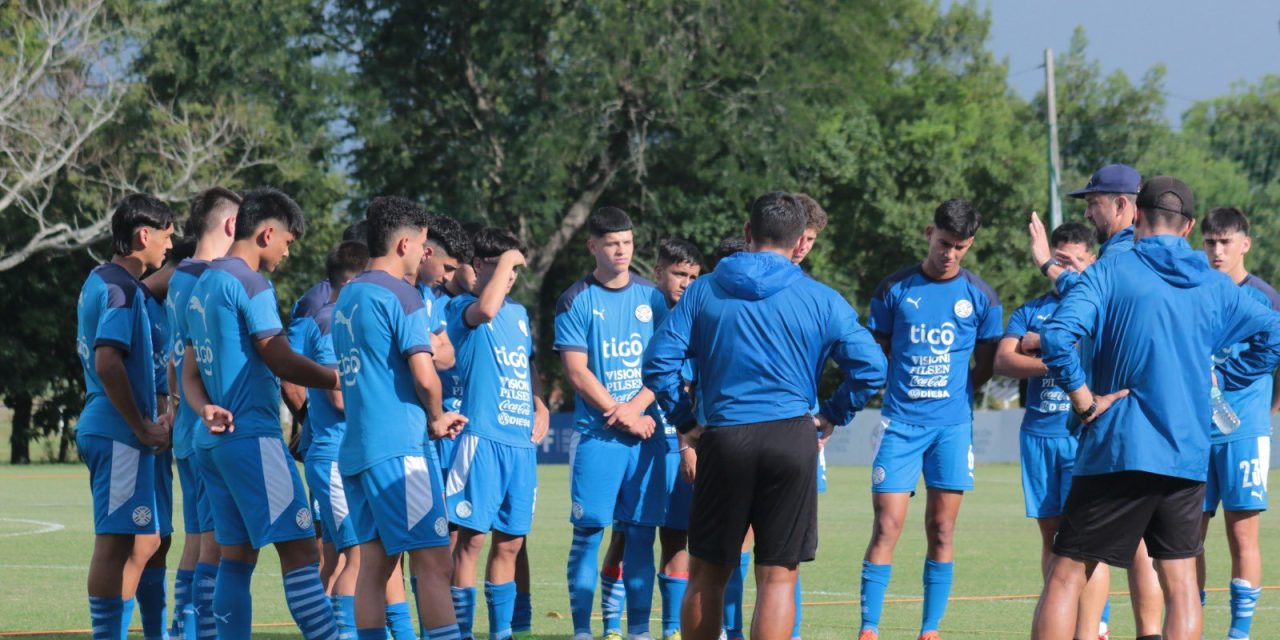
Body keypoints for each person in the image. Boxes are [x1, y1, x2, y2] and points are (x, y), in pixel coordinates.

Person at [1031, 177, 1280, 640]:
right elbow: (1274, 335)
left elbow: (1056, 336)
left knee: (1067, 574)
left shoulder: (1110, 270)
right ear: (1188, 228)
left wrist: (1084, 401)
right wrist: (1225, 378)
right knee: (1182, 585)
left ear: (1137, 218)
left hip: (1117, 448)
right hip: (1186, 455)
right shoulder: (1214, 283)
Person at [644, 190, 885, 640]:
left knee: (706, 573)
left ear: (748, 232)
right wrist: (833, 414)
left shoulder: (703, 291)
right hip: (793, 439)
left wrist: (687, 423)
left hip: (725, 437)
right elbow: (872, 367)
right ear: (799, 243)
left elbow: (658, 364)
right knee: (777, 577)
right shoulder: (821, 297)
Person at [181, 187, 343, 640]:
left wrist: (203, 408)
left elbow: (187, 373)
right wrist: (337, 378)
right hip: (252, 438)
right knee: (301, 555)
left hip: (212, 442)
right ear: (268, 232)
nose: (288, 252)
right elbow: (278, 355)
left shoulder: (203, 285)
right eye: (288, 241)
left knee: (236, 558)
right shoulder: (250, 283)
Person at [859, 199, 1002, 640]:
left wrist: (958, 394)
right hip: (900, 424)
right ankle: (869, 628)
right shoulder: (894, 289)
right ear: (928, 233)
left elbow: (987, 363)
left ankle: (930, 629)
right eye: (944, 243)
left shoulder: (981, 296)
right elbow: (873, 351)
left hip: (951, 429)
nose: (950, 254)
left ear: (970, 244)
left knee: (941, 528)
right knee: (887, 525)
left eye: (960, 247)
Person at [1030, 164, 1160, 637]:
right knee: (1162, 559)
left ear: (1124, 205)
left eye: (1095, 201)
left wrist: (1084, 403)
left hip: (1118, 427)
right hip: (1169, 434)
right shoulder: (1173, 261)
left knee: (1067, 566)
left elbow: (1063, 329)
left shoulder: (1120, 257)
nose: (1088, 209)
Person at [330, 196, 467, 640]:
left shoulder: (348, 293)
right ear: (405, 243)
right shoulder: (401, 294)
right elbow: (426, 377)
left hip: (357, 449)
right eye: (422, 246)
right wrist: (437, 415)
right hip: (400, 450)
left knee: (376, 565)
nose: (424, 255)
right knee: (434, 561)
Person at [994, 221, 1110, 639]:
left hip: (1082, 435)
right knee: (1053, 538)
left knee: (1086, 540)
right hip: (1038, 435)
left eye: (1072, 261)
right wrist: (1056, 354)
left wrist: (1038, 343)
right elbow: (1003, 362)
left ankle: (1093, 627)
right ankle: (1061, 622)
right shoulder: (1030, 310)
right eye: (1056, 260)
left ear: (1092, 262)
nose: (1061, 269)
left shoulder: (1099, 306)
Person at [556, 207, 668, 640]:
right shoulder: (575, 298)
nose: (621, 250)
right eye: (612, 243)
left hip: (645, 435)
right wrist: (621, 415)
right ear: (593, 246)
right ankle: (584, 632)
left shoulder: (652, 298)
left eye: (627, 242)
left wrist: (637, 409)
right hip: (598, 437)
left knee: (641, 537)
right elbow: (577, 372)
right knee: (588, 534)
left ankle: (638, 631)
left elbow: (665, 365)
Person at [723, 193, 829, 640]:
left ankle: (790, 631)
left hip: (772, 431)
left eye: (812, 240)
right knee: (769, 556)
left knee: (784, 553)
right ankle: (732, 626)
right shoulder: (808, 294)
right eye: (801, 237)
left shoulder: (805, 289)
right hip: (785, 432)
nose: (804, 246)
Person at [75, 194, 175, 640]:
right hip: (117, 431)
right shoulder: (119, 287)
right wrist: (139, 425)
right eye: (168, 237)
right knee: (114, 544)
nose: (169, 247)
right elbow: (107, 362)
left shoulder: (102, 279)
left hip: (115, 429)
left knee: (144, 540)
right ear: (144, 235)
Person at [444, 227, 551, 640]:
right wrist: (508, 258)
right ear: (480, 266)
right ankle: (460, 633)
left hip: (519, 447)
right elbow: (486, 311)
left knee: (509, 544)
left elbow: (528, 367)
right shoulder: (462, 307)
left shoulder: (519, 316)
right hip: (481, 441)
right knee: (469, 543)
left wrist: (539, 403)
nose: (511, 275)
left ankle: (501, 633)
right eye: (503, 266)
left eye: (514, 269)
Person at [598, 238, 705, 640]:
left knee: (676, 535)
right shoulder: (636, 314)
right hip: (634, 442)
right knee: (625, 535)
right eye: (680, 274)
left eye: (694, 277)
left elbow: (691, 391)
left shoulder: (695, 323)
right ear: (658, 271)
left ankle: (672, 629)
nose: (686, 283)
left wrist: (687, 444)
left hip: (677, 447)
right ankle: (612, 625)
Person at [1197, 206, 1280, 640]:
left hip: (1243, 432)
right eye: (1210, 241)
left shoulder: (1264, 298)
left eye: (1226, 242)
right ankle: (1187, 625)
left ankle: (1239, 634)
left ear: (1244, 244)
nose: (1217, 251)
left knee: (1242, 533)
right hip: (1192, 432)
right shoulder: (1194, 292)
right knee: (1187, 535)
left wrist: (1263, 413)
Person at [164, 187, 240, 640]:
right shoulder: (210, 279)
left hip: (187, 430)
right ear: (232, 225)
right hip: (209, 429)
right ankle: (200, 633)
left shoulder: (178, 276)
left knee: (196, 542)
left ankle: (180, 629)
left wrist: (175, 404)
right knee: (216, 544)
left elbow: (177, 362)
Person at [289, 241, 371, 639]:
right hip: (335, 457)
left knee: (339, 554)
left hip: (335, 453)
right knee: (355, 555)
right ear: (354, 280)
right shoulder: (332, 322)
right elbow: (339, 396)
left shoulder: (322, 318)